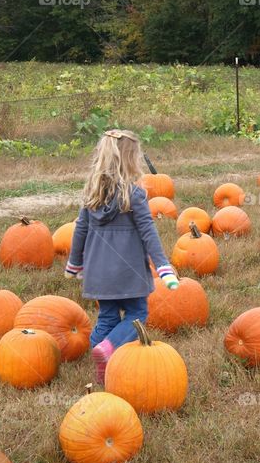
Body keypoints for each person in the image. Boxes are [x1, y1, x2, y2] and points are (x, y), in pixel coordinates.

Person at [64, 129, 178, 383]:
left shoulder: (91, 197)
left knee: (107, 317)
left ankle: (102, 365)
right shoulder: (134, 196)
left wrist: (75, 263)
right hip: (129, 273)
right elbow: (148, 232)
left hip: (98, 274)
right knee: (138, 314)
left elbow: (80, 230)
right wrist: (163, 266)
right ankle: (109, 348)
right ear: (130, 161)